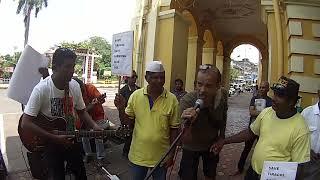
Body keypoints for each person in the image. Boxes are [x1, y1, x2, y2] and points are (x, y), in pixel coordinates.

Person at [21, 48, 102, 180]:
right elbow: (26, 123)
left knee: (81, 175)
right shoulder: (42, 89)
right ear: (55, 68)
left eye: (73, 66)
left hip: (71, 138)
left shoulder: (74, 86)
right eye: (67, 67)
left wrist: (94, 125)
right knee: (57, 176)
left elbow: (82, 112)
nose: (72, 71)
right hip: (50, 142)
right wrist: (53, 137)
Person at [211, 76, 311, 180]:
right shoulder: (267, 112)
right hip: (253, 172)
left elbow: (300, 167)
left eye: (280, 96)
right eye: (275, 93)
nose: (274, 98)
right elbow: (250, 132)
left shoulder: (300, 129)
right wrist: (224, 141)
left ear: (291, 102)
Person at [114, 61, 180, 180]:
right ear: (146, 78)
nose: (159, 80)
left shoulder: (172, 99)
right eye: (155, 77)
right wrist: (121, 108)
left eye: (162, 77)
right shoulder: (136, 96)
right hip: (138, 156)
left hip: (161, 157)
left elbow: (174, 129)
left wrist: (171, 154)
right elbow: (126, 123)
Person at [179, 64, 228, 180]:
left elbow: (223, 118)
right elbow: (184, 139)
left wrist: (222, 137)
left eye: (208, 86)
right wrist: (189, 123)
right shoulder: (187, 101)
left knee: (210, 175)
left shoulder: (222, 98)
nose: (202, 90)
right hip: (191, 147)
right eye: (199, 84)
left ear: (218, 86)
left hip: (211, 145)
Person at [233, 81, 272, 175]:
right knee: (246, 149)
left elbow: (270, 115)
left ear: (268, 89)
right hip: (252, 128)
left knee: (262, 149)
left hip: (263, 130)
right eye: (261, 87)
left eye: (264, 88)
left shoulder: (270, 101)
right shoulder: (254, 98)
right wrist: (264, 113)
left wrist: (258, 112)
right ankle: (239, 168)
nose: (261, 89)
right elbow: (251, 112)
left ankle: (260, 170)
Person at [72, 77, 111, 161]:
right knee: (84, 134)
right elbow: (79, 111)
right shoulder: (73, 93)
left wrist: (100, 100)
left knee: (98, 133)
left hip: (98, 116)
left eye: (82, 89)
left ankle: (101, 157)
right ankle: (88, 154)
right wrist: (89, 107)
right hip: (84, 119)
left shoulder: (91, 88)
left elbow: (101, 100)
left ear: (83, 85)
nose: (81, 92)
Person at [119, 70, 140, 158]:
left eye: (136, 77)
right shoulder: (123, 90)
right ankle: (126, 152)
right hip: (127, 115)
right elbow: (121, 106)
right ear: (127, 78)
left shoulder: (139, 89)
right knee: (128, 134)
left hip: (138, 116)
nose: (134, 78)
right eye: (133, 77)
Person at [301, 87, 320, 179]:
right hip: (309, 161)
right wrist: (309, 150)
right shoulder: (307, 112)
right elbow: (299, 137)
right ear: (319, 93)